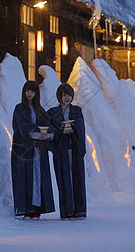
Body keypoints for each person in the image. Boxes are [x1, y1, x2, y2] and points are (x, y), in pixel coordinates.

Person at [11, 80, 55, 220]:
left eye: (32, 91)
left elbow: (50, 126)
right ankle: (27, 210)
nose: (29, 94)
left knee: (38, 178)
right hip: (24, 150)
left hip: (38, 151)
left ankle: (37, 210)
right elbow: (23, 128)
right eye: (27, 91)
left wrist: (49, 134)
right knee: (26, 178)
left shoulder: (40, 110)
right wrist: (38, 134)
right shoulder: (19, 108)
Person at [48, 83, 87, 220]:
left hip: (74, 148)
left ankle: (79, 211)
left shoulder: (77, 110)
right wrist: (61, 128)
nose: (67, 98)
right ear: (59, 96)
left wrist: (71, 127)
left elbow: (80, 125)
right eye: (64, 95)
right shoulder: (52, 112)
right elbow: (49, 128)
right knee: (63, 179)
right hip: (61, 148)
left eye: (69, 95)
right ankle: (67, 211)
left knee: (77, 178)